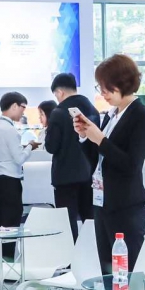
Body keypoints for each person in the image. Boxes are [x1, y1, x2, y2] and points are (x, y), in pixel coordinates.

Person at [74, 54, 145, 290]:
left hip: (126, 209)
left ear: (123, 84)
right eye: (101, 88)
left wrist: (101, 138)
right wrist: (86, 136)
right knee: (112, 286)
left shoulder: (142, 116)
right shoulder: (113, 115)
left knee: (123, 286)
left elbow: (130, 164)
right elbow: (98, 159)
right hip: (103, 206)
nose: (103, 93)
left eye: (107, 87)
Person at [45, 73, 99, 242]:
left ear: (59, 92)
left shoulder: (58, 112)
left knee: (67, 222)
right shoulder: (92, 109)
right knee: (90, 219)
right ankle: (93, 253)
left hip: (65, 176)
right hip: (89, 173)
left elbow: (51, 146)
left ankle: (71, 255)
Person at [0, 92, 41, 259]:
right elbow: (19, 159)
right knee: (11, 224)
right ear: (14, 106)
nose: (23, 112)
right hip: (10, 181)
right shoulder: (10, 130)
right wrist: (30, 147)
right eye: (23, 107)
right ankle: (9, 262)